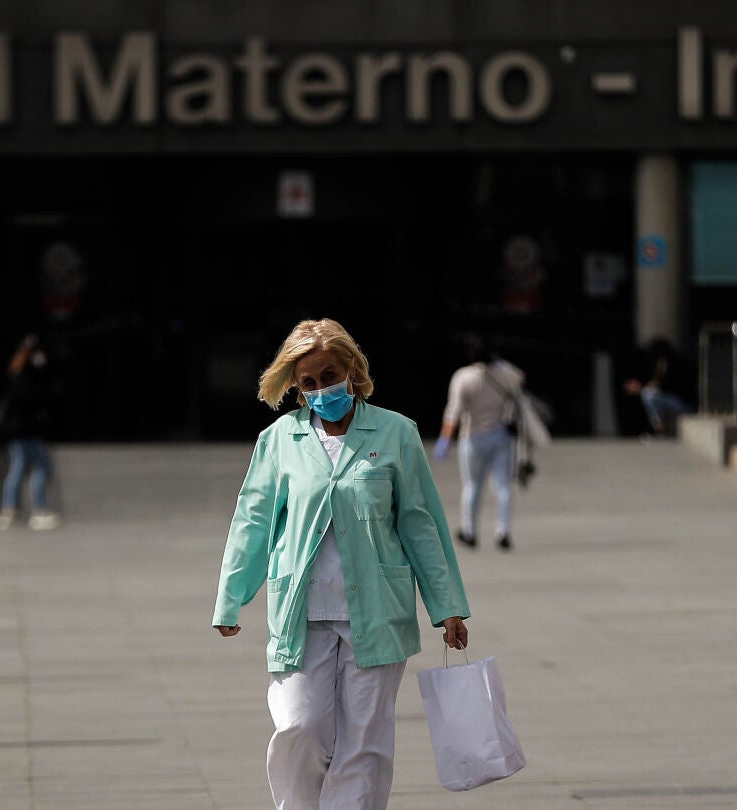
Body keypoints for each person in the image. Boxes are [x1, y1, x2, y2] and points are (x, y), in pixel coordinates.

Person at [212, 318, 470, 810]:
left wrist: (447, 606)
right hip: (301, 615)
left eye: (328, 376)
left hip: (378, 613)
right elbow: (253, 520)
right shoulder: (279, 439)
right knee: (300, 727)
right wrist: (231, 597)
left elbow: (420, 524)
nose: (320, 389)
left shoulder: (396, 432)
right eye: (307, 382)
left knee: (364, 745)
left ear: (351, 369)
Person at [434, 334, 524, 551]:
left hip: (472, 436)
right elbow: (520, 378)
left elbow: (453, 412)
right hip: (500, 435)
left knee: (472, 485)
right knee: (503, 485)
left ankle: (469, 531)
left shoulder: (463, 377)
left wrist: (445, 439)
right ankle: (503, 531)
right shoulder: (506, 373)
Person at [0, 334, 61, 530]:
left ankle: (9, 509)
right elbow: (31, 400)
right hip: (25, 430)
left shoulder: (18, 371)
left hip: (21, 430)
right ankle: (38, 510)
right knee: (42, 466)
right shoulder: (25, 374)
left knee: (18, 467)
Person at [623, 337, 694, 437]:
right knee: (647, 394)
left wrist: (642, 389)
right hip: (675, 402)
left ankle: (659, 428)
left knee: (648, 395)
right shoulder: (658, 366)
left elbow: (668, 388)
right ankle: (658, 427)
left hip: (684, 405)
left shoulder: (674, 364)